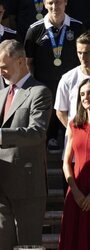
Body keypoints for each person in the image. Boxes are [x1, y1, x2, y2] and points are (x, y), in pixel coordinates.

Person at [0, 39, 53, 250]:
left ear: (20, 62)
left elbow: (37, 133)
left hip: (27, 185)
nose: (0, 73)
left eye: (4, 67)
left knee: (28, 246)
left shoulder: (39, 92)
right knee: (1, 245)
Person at [24, 0, 85, 153]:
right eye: (50, 3)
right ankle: (50, 137)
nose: (54, 7)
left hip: (73, 85)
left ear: (65, 2)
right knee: (49, 114)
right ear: (44, 4)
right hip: (45, 83)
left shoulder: (78, 27)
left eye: (58, 2)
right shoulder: (35, 30)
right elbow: (28, 62)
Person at [54, 31, 90, 195]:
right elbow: (60, 111)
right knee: (73, 197)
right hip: (75, 149)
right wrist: (76, 132)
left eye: (87, 53)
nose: (83, 57)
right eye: (79, 52)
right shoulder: (68, 78)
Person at [58, 78, 90, 250]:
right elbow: (66, 163)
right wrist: (76, 192)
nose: (86, 97)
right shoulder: (73, 125)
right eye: (82, 94)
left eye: (89, 93)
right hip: (76, 192)